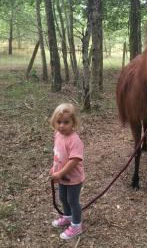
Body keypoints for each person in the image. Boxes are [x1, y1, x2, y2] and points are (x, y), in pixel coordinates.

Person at [49, 103, 84, 240]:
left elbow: (74, 160)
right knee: (63, 198)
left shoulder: (74, 140)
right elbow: (58, 154)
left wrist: (60, 173)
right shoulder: (57, 135)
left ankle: (76, 226)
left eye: (66, 122)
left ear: (73, 122)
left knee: (73, 201)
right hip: (61, 176)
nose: (62, 126)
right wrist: (54, 168)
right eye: (59, 122)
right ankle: (67, 217)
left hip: (73, 178)